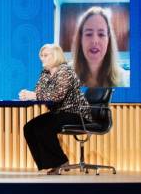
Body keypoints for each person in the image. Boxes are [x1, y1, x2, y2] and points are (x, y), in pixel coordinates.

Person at [18, 43, 91, 174]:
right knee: (29, 128)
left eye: (45, 55)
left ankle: (60, 162)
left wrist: (35, 95)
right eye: (41, 55)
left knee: (44, 127)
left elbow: (57, 95)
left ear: (56, 56)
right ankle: (49, 163)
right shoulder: (45, 73)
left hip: (75, 113)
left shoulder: (65, 71)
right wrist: (28, 95)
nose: (42, 58)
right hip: (59, 113)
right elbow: (39, 92)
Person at [71, 6, 126, 88]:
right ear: (81, 39)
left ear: (108, 40)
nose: (94, 41)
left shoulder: (122, 79)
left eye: (101, 34)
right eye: (89, 34)